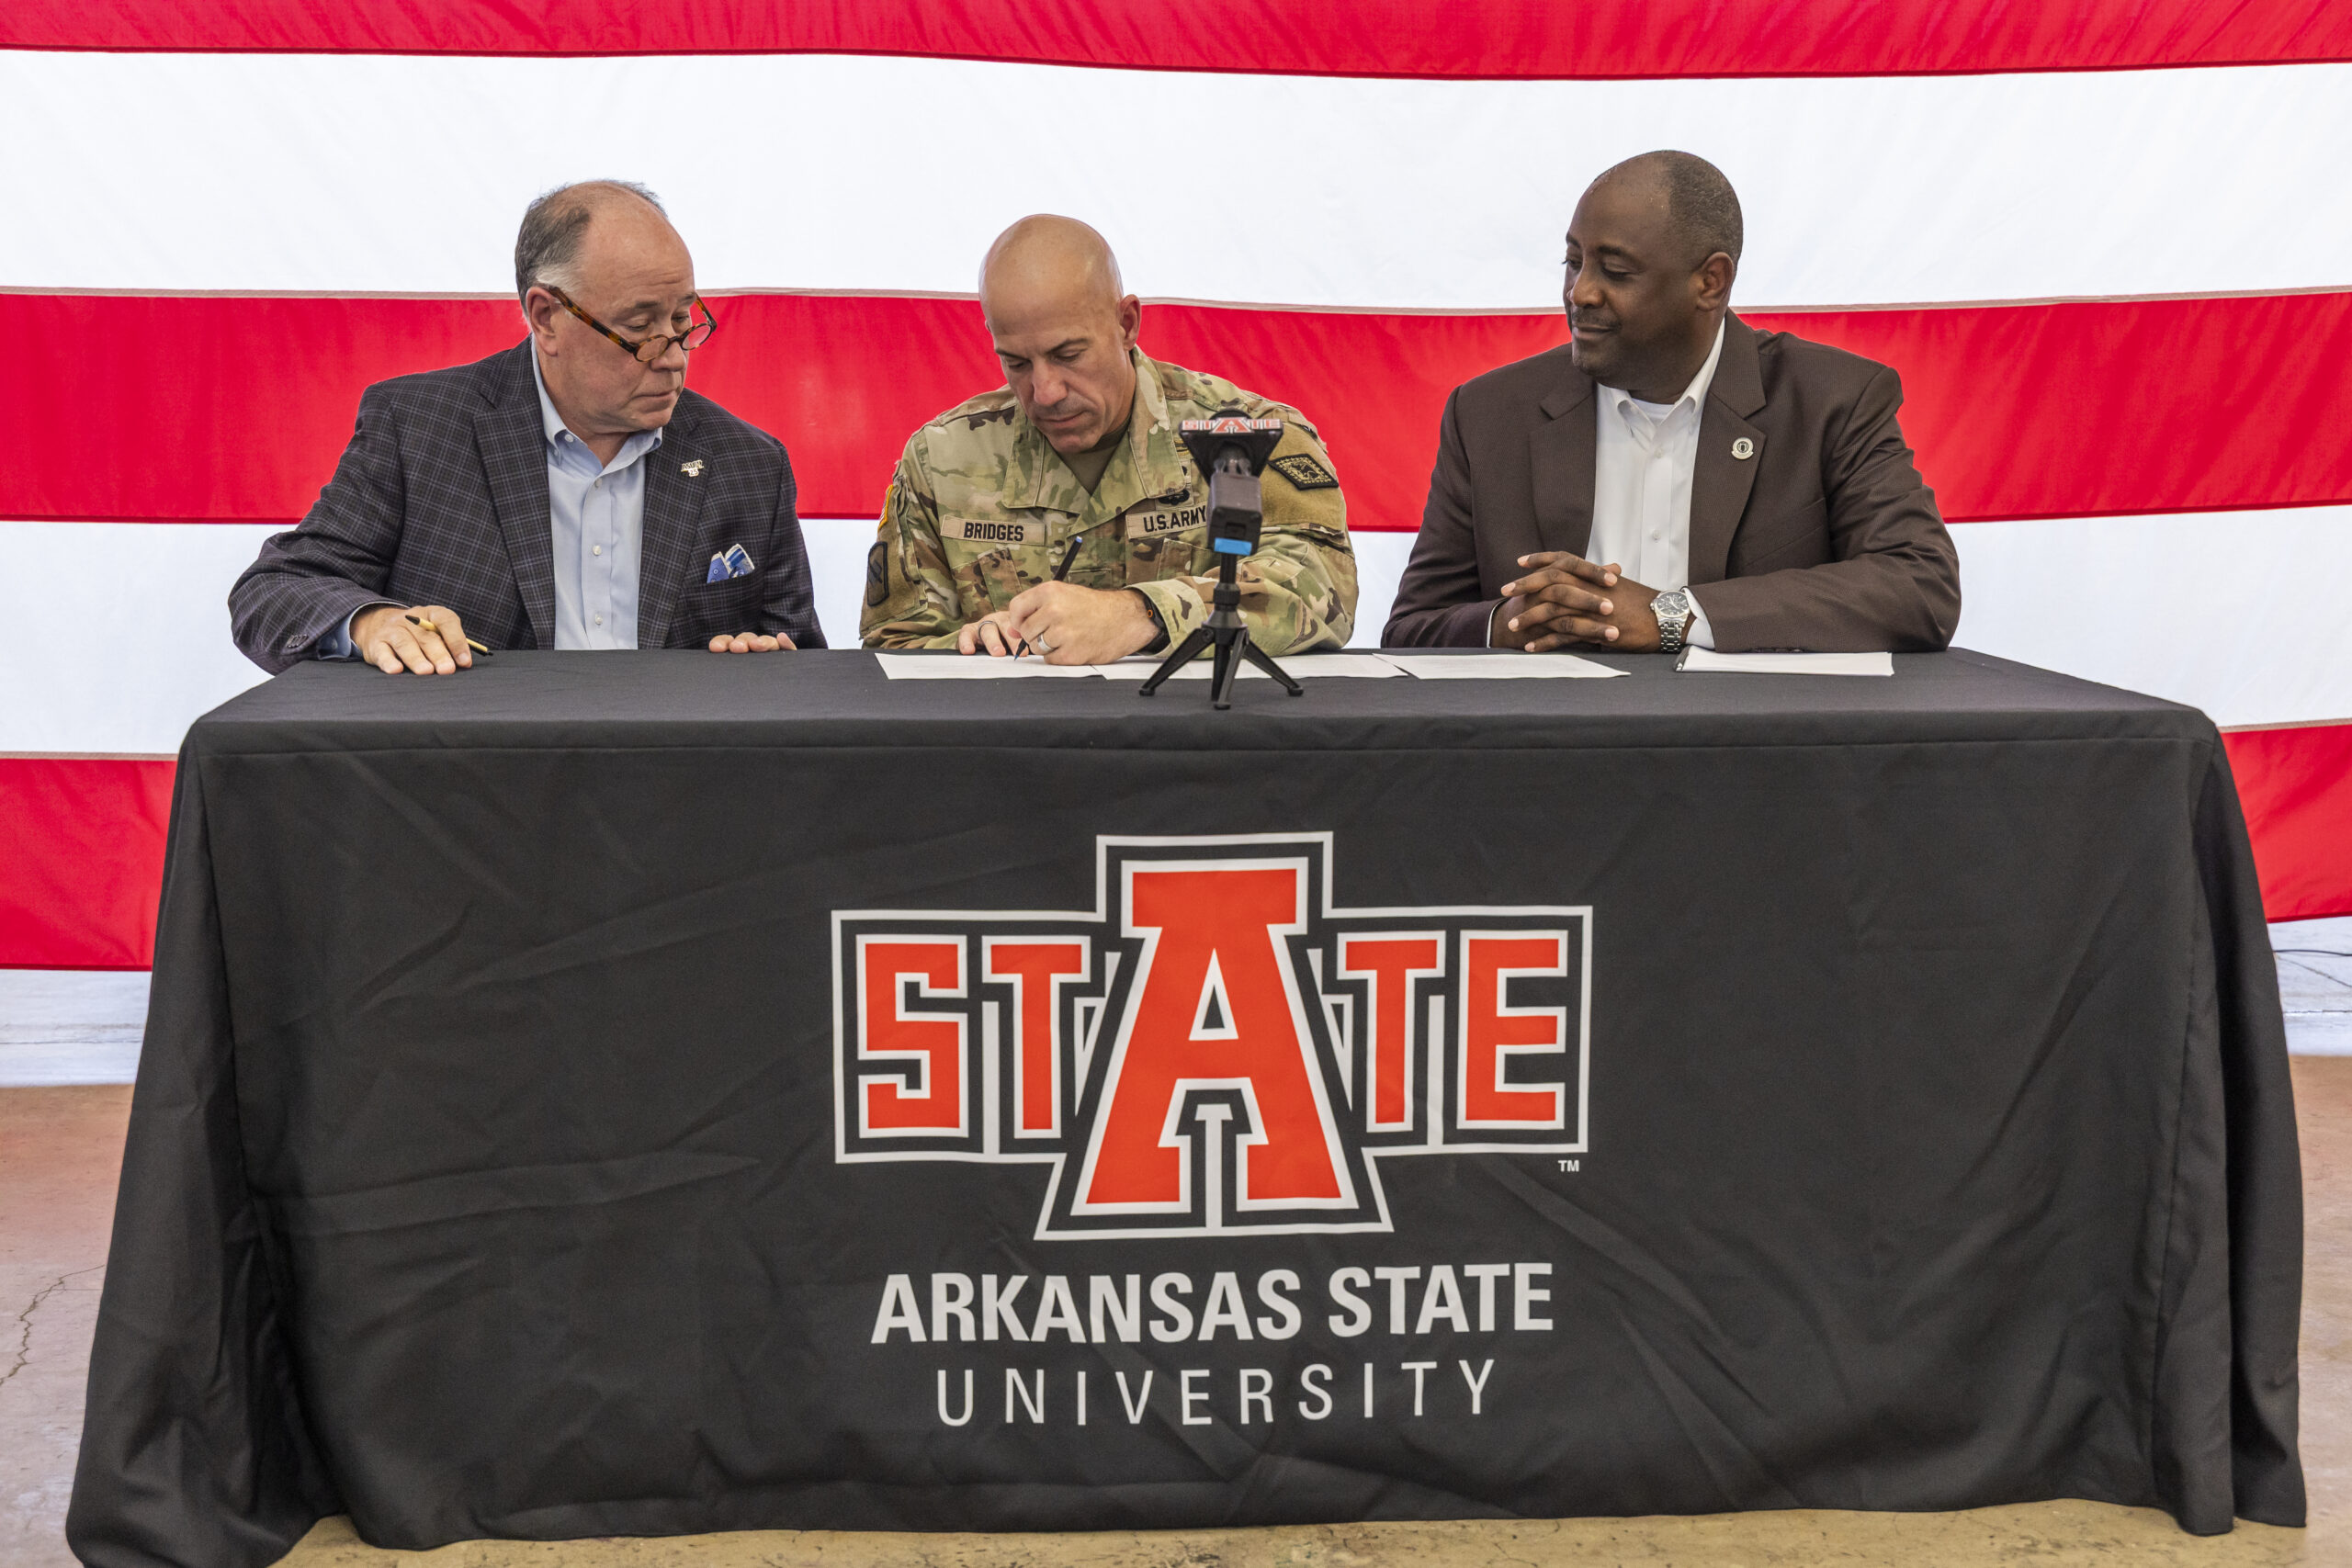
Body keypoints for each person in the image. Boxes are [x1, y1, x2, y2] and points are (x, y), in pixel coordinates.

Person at [230, 181, 822, 675]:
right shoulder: (417, 430)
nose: (673, 354)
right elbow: (274, 591)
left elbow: (802, 665)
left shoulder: (749, 464)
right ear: (547, 316)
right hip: (473, 793)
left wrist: (769, 665)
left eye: (682, 318)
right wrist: (371, 622)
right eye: (641, 327)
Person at [1383, 152, 1960, 654]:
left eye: (1615, 270)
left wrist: (1672, 616)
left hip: (1751, 755)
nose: (1580, 292)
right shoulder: (1489, 413)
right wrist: (1507, 624)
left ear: (1710, 282)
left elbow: (1919, 585)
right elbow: (1412, 627)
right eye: (1573, 261)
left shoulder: (1832, 400)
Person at [861, 216, 1356, 662]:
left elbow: (1322, 588)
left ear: (1126, 324)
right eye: (1016, 362)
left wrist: (1141, 614)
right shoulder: (941, 459)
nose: (1046, 391)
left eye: (1069, 354)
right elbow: (894, 646)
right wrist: (977, 642)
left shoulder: (1247, 438)